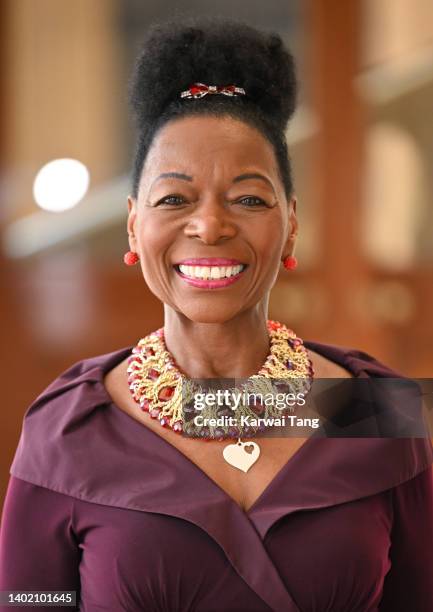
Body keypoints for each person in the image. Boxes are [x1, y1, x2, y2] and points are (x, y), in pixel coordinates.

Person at [1, 17, 432, 612]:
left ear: (291, 222)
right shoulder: (68, 429)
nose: (210, 225)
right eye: (174, 198)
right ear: (134, 223)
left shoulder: (377, 409)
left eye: (249, 198)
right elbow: (29, 603)